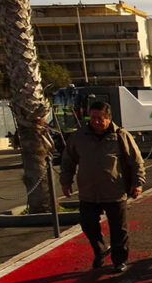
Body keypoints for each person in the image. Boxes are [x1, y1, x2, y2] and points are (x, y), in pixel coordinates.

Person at [60, 100, 145, 273]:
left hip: (114, 191)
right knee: (88, 224)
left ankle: (119, 260)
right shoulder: (79, 137)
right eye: (92, 117)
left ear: (108, 118)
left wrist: (138, 183)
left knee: (118, 229)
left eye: (100, 118)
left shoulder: (121, 135)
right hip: (88, 192)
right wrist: (66, 181)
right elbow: (68, 161)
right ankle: (100, 249)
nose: (96, 121)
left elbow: (136, 161)